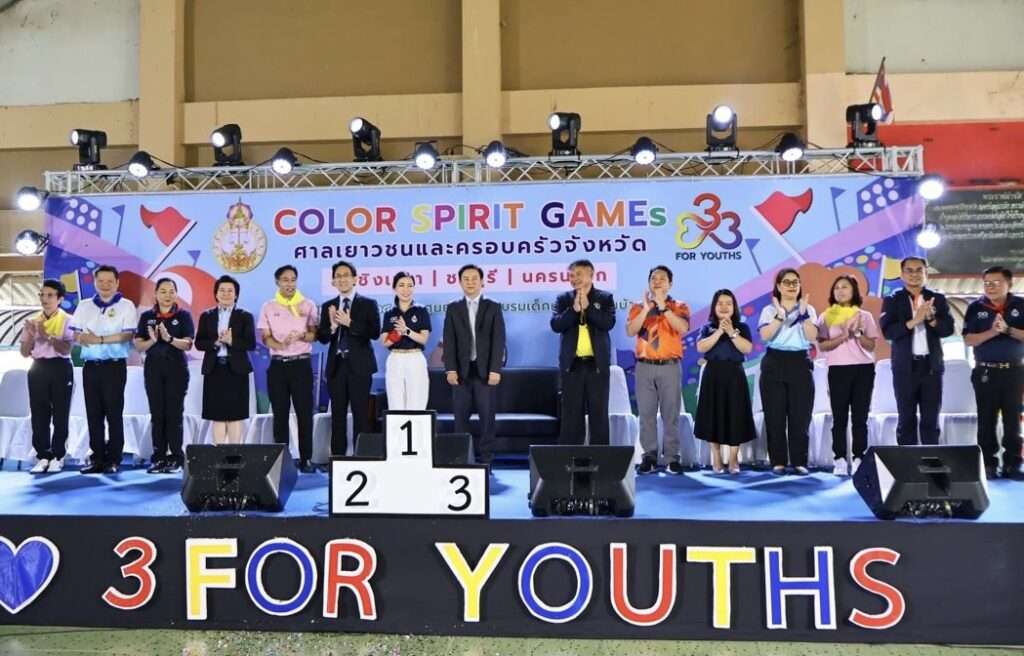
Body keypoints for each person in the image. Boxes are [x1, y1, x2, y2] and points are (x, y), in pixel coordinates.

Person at [70, 265, 137, 474]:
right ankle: (97, 458)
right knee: (94, 414)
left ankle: (114, 459)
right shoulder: (84, 305)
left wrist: (99, 340)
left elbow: (127, 335)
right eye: (101, 281)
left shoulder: (126, 305)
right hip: (91, 367)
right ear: (95, 282)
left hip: (114, 366)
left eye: (110, 281)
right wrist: (82, 338)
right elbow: (75, 335)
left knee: (114, 413)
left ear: (117, 283)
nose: (105, 285)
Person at [879, 256, 954, 446]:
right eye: (909, 270)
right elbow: (888, 332)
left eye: (919, 270)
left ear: (926, 273)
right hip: (905, 367)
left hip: (931, 367)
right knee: (906, 419)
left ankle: (931, 458)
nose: (914, 274)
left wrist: (931, 320)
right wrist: (914, 321)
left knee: (931, 419)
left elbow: (948, 330)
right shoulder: (893, 299)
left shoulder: (937, 298)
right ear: (902, 274)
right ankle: (907, 460)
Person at [626, 265, 690, 474]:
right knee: (646, 415)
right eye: (653, 278)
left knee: (671, 414)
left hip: (669, 367)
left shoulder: (679, 306)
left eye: (662, 278)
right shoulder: (638, 307)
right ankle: (649, 456)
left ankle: (672, 457)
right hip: (644, 367)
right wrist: (647, 309)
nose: (657, 281)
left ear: (670, 284)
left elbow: (682, 328)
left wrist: (663, 307)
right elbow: (630, 331)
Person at [962, 266, 1024, 479]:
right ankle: (988, 463)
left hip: (1014, 372)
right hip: (985, 371)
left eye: (996, 282)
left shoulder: (1020, 305)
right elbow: (968, 339)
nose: (990, 287)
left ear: (1009, 284)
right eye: (987, 283)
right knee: (986, 420)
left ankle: (1012, 464)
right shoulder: (975, 307)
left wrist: (1008, 330)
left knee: (1013, 420)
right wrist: (992, 332)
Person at [443, 264, 507, 466]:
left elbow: (499, 340)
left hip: (486, 372)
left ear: (482, 281)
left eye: (474, 279)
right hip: (461, 373)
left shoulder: (493, 306)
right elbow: (449, 340)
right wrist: (450, 369)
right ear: (460, 282)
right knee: (460, 419)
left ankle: (487, 460)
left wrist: (496, 369)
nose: (470, 282)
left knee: (487, 419)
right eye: (466, 279)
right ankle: (462, 460)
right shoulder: (453, 308)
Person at [317, 260, 381, 458]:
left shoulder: (368, 304)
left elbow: (374, 332)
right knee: (338, 415)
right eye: (338, 276)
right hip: (337, 367)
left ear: (355, 279)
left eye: (346, 275)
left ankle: (362, 458)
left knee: (361, 414)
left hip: (360, 367)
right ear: (333, 281)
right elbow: (322, 337)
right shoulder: (328, 306)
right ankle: (338, 458)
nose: (342, 279)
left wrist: (349, 322)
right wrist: (333, 326)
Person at [258, 265, 318, 473]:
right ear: (277, 282)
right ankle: (282, 459)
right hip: (278, 366)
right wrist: (280, 344)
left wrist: (301, 335)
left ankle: (306, 458)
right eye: (285, 280)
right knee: (280, 414)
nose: (289, 284)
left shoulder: (308, 305)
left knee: (304, 413)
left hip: (301, 364)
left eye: (293, 279)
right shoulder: (268, 306)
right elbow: (265, 337)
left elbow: (314, 334)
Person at [758, 268, 817, 475]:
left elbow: (812, 337)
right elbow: (765, 335)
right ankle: (778, 461)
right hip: (774, 361)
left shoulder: (808, 309)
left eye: (795, 282)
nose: (792, 286)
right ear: (779, 286)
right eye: (787, 282)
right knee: (774, 415)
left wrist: (804, 315)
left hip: (800, 362)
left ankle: (799, 461)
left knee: (800, 416)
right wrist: (780, 316)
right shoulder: (769, 310)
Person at [816, 275, 877, 476]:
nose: (840, 291)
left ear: (854, 291)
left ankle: (859, 457)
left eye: (845, 287)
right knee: (839, 417)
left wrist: (858, 334)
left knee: (860, 417)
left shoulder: (864, 316)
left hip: (863, 369)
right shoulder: (826, 316)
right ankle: (840, 459)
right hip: (838, 370)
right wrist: (843, 336)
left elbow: (871, 346)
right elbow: (822, 345)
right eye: (837, 288)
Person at [550, 259, 616, 445]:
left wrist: (588, 308)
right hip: (572, 366)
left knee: (599, 413)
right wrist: (574, 310)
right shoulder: (563, 299)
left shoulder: (605, 298)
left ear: (591, 274)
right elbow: (556, 325)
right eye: (571, 275)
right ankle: (570, 456)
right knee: (571, 414)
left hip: (597, 365)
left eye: (578, 274)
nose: (574, 279)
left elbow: (608, 323)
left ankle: (601, 456)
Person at [134, 278, 194, 474]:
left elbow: (188, 344)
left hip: (176, 369)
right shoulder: (147, 317)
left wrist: (169, 338)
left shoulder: (183, 316)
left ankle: (176, 457)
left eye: (171, 291)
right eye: (163, 291)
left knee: (174, 414)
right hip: (153, 369)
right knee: (157, 413)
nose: (167, 295)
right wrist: (152, 341)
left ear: (176, 294)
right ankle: (158, 457)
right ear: (156, 294)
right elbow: (139, 345)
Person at [694, 289, 756, 474]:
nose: (724, 307)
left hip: (735, 374)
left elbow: (747, 349)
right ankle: (717, 457)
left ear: (734, 306)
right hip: (712, 374)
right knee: (713, 415)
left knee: (736, 415)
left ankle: (734, 459)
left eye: (728, 303)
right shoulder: (707, 327)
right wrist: (719, 331)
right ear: (714, 307)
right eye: (720, 303)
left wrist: (731, 332)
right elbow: (701, 347)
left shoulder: (742, 327)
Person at [20, 279, 74, 474]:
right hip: (38, 368)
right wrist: (31, 335)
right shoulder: (33, 321)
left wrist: (46, 335)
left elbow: (66, 349)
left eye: (50, 295)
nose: (45, 299)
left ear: (60, 299)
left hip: (60, 366)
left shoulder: (68, 320)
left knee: (60, 413)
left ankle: (58, 455)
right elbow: (24, 352)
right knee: (39, 414)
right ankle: (43, 455)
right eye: (42, 295)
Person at [195, 275, 255, 446]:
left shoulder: (245, 316)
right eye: (222, 290)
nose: (226, 294)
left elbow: (250, 343)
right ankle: (219, 453)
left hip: (237, 369)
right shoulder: (207, 316)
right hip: (214, 369)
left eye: (230, 291)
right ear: (216, 294)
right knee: (217, 415)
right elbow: (199, 343)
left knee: (236, 415)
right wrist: (215, 343)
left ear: (236, 295)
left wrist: (231, 341)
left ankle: (234, 453)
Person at [381, 272, 431, 410]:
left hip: (415, 357)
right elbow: (385, 342)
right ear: (394, 289)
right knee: (395, 401)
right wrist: (397, 333)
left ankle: (416, 425)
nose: (406, 289)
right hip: (395, 358)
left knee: (417, 401)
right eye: (401, 285)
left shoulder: (421, 310)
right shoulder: (390, 313)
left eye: (410, 285)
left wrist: (407, 331)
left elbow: (424, 338)